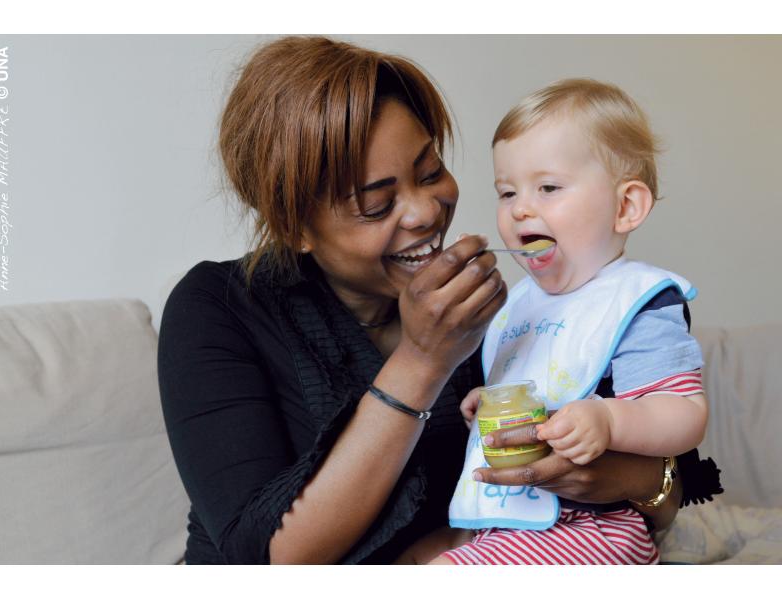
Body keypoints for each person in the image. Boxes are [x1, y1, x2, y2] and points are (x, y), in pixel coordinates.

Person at [157, 37, 721, 565]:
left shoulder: (511, 307)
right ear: (295, 227)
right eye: (377, 205)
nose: (426, 212)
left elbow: (670, 487)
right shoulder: (217, 307)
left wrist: (612, 477)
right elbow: (261, 562)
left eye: (430, 172)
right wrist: (425, 360)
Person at [431, 79, 710, 565]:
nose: (520, 208)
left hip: (595, 528)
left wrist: (609, 419)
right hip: (511, 524)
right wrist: (493, 401)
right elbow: (536, 387)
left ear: (625, 207)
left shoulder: (636, 301)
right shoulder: (520, 304)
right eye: (506, 191)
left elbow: (685, 413)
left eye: (548, 188)